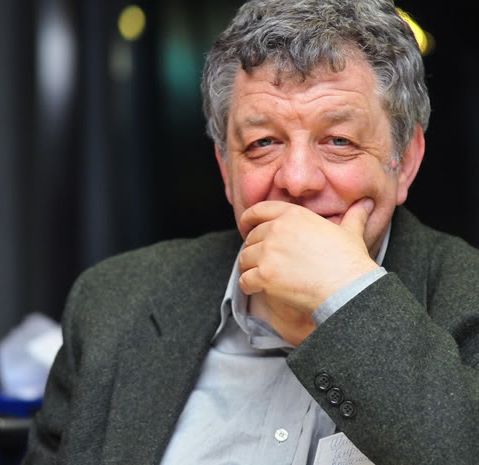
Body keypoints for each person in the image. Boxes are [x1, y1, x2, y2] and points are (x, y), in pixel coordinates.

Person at [22, 0, 479, 464]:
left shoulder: (469, 296)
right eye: (263, 143)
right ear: (226, 169)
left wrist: (346, 297)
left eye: (339, 140)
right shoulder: (112, 305)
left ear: (406, 161)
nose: (297, 179)